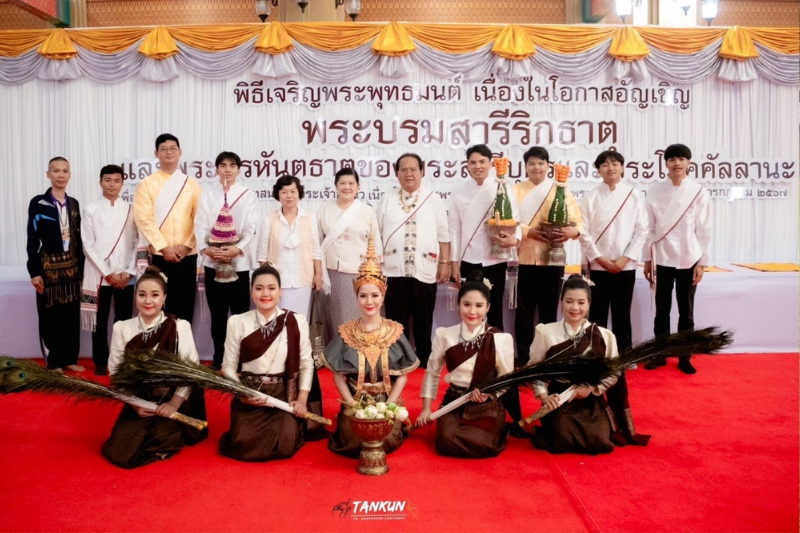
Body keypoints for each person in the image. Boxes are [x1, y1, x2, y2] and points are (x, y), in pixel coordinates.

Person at [320, 235, 418, 457]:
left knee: (385, 439)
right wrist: (351, 406)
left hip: (386, 401)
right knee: (355, 440)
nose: (369, 301)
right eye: (363, 295)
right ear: (356, 297)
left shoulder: (394, 331)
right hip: (356, 401)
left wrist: (390, 407)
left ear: (383, 296)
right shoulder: (347, 332)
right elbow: (337, 376)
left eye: (375, 295)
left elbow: (402, 375)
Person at [102, 266, 208, 469]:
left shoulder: (179, 327)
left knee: (163, 436)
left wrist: (174, 405)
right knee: (118, 449)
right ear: (135, 297)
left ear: (164, 297)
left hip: (173, 399)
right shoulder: (122, 328)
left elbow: (191, 372)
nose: (148, 301)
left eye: (155, 295)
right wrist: (134, 404)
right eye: (142, 295)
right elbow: (115, 373)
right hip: (140, 399)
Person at [218, 264, 320, 461]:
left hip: (282, 397)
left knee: (285, 443)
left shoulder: (295, 320)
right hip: (250, 393)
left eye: (271, 288)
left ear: (280, 292)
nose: (265, 293)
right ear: (251, 291)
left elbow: (307, 364)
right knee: (242, 442)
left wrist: (301, 400)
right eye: (259, 288)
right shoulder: (237, 322)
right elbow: (228, 367)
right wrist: (243, 394)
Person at [416, 270, 515, 458]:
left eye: (479, 305)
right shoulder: (445, 335)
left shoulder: (500, 338)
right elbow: (432, 373)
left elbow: (507, 379)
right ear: (458, 305)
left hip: (486, 403)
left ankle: (498, 431)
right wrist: (426, 408)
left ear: (488, 307)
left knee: (486, 444)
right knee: (445, 439)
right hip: (454, 400)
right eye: (467, 304)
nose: (472, 311)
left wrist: (490, 394)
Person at [527, 274, 623, 455]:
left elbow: (614, 373)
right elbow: (533, 371)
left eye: (581, 302)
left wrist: (592, 389)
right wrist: (544, 397)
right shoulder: (545, 332)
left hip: (590, 399)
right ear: (561, 302)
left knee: (600, 440)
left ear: (589, 305)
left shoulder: (604, 335)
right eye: (569, 301)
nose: (575, 308)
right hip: (559, 398)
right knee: (563, 435)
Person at [642, 144, 712, 375]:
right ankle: (660, 355)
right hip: (661, 257)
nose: (677, 163)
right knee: (662, 310)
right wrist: (647, 260)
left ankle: (684, 356)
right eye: (672, 159)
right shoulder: (654, 191)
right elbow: (649, 228)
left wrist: (701, 262)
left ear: (689, 162)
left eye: (681, 158)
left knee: (686, 311)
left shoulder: (698, 191)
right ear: (666, 164)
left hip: (689, 258)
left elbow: (704, 229)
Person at [375, 153, 450, 366]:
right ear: (396, 172)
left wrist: (444, 263)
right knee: (396, 318)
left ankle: (425, 357)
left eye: (413, 169)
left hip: (425, 268)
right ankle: (400, 359)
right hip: (392, 268)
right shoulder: (387, 198)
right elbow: (377, 233)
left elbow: (444, 236)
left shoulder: (433, 198)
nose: (409, 174)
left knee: (423, 317)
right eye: (403, 169)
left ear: (422, 172)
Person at [513, 146, 583, 363]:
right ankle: (524, 357)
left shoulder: (560, 190)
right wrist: (528, 232)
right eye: (532, 163)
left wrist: (573, 232)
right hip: (524, 258)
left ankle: (548, 356)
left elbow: (577, 221)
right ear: (525, 166)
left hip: (553, 260)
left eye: (541, 163)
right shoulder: (514, 190)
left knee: (549, 311)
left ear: (548, 166)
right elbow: (510, 222)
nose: (536, 167)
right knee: (524, 312)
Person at [578, 150, 647, 353]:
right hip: (598, 265)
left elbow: (642, 230)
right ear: (598, 170)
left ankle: (624, 354)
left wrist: (625, 258)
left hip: (625, 265)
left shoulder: (634, 196)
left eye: (615, 164)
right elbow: (583, 231)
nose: (611, 168)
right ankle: (598, 355)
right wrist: (599, 258)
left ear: (622, 167)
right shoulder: (590, 197)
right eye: (605, 165)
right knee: (597, 312)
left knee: (622, 313)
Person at [195, 151, 258, 371]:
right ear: (216, 169)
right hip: (213, 264)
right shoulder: (206, 194)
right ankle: (219, 359)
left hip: (239, 265)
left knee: (240, 316)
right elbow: (200, 225)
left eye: (232, 165)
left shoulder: (247, 194)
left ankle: (240, 362)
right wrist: (208, 250)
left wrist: (236, 249)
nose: (227, 169)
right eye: (223, 165)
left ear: (239, 170)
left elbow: (250, 228)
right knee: (218, 316)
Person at [449, 144, 521, 332]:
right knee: (468, 308)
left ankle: (496, 351)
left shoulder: (502, 187)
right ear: (467, 166)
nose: (477, 166)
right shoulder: (458, 193)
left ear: (491, 164)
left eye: (482, 162)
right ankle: (468, 349)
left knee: (494, 307)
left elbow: (516, 218)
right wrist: (454, 262)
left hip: (494, 257)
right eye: (472, 162)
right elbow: (454, 230)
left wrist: (515, 240)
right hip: (468, 258)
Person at [133, 133, 201, 323]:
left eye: (173, 148)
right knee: (158, 306)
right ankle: (160, 351)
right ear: (156, 153)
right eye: (163, 149)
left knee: (185, 306)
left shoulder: (192, 185)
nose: (168, 152)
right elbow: (143, 219)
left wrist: (186, 245)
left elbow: (200, 220)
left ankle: (182, 351)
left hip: (186, 255)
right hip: (159, 255)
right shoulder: (146, 184)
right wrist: (163, 247)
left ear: (180, 152)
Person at [26, 156, 85, 372]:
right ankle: (53, 362)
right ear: (48, 174)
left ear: (70, 174)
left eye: (65, 171)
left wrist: (82, 269)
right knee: (50, 317)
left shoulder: (75, 203)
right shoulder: (38, 202)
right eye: (56, 171)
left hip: (71, 268)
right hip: (48, 268)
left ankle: (69, 358)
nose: (61, 175)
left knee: (70, 315)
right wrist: (34, 272)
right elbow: (32, 240)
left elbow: (78, 240)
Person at [81, 164, 138, 376]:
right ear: (100, 182)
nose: (112, 185)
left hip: (125, 276)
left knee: (124, 322)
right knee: (100, 322)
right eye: (107, 180)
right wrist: (108, 273)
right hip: (99, 276)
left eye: (116, 181)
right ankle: (100, 362)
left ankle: (122, 361)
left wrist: (129, 271)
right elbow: (88, 246)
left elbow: (138, 243)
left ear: (123, 184)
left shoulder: (131, 209)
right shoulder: (91, 209)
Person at [317, 167, 382, 339]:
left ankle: (357, 355)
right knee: (334, 316)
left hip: (360, 273)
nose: (347, 187)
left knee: (358, 316)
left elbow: (375, 243)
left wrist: (376, 273)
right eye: (342, 183)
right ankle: (335, 356)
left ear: (358, 187)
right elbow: (317, 243)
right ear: (336, 186)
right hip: (331, 272)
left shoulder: (366, 211)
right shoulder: (325, 209)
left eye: (351, 183)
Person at [256, 175, 323, 316]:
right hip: (277, 281)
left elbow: (316, 250)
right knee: (278, 321)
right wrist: (267, 280)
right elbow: (262, 253)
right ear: (278, 195)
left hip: (303, 280)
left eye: (293, 191)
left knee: (300, 322)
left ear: (299, 193)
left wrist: (318, 274)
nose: (289, 196)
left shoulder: (309, 218)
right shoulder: (270, 219)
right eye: (284, 192)